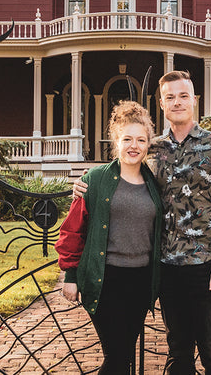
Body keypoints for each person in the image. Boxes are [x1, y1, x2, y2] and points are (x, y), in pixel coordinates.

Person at [74, 70, 211, 374]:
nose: (177, 102)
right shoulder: (153, 149)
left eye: (183, 96)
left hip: (208, 266)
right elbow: (121, 171)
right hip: (166, 267)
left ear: (194, 100)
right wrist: (84, 183)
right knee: (178, 353)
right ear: (162, 104)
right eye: (170, 97)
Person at [55, 100, 164, 375]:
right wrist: (70, 276)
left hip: (141, 282)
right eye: (127, 138)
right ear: (116, 140)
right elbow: (72, 230)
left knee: (123, 356)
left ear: (148, 143)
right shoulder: (95, 179)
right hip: (106, 281)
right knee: (116, 357)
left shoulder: (155, 183)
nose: (134, 146)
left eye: (141, 139)